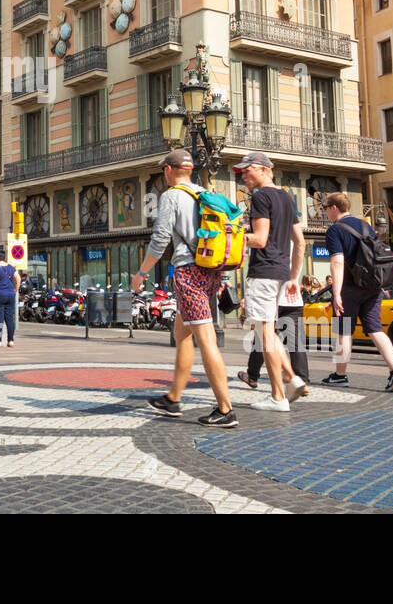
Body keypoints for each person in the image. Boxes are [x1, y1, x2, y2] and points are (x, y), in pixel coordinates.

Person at [132, 148, 239, 427]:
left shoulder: (171, 196)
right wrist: (222, 278)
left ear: (169, 170)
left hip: (189, 274)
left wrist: (142, 273)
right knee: (182, 333)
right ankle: (173, 398)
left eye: (163, 171)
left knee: (206, 340)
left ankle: (226, 410)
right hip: (211, 271)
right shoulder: (205, 193)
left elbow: (160, 239)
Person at [233, 151, 307, 412]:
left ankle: (278, 396)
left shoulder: (261, 196)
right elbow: (300, 242)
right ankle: (290, 377)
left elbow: (260, 239)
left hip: (263, 271)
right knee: (268, 331)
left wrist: (233, 234)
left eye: (246, 170)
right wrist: (293, 277)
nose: (243, 175)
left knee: (264, 333)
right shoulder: (287, 197)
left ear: (262, 169)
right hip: (279, 273)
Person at [322, 192, 393, 392]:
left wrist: (337, 293)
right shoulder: (366, 226)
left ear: (334, 208)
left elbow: (337, 262)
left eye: (326, 208)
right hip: (373, 286)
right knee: (376, 329)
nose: (325, 213)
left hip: (350, 288)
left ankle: (340, 375)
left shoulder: (335, 231)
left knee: (343, 332)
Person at [238, 278, 310, 394]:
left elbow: (260, 272)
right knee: (295, 342)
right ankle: (300, 380)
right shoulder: (296, 258)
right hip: (293, 299)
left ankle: (252, 376)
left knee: (263, 337)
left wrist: (249, 296)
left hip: (271, 297)